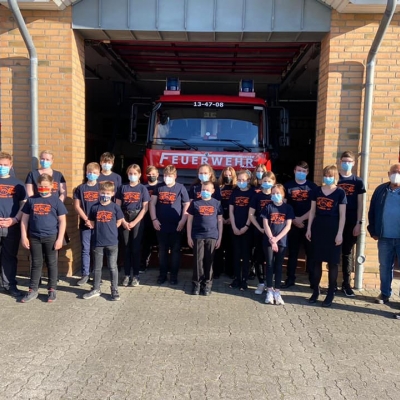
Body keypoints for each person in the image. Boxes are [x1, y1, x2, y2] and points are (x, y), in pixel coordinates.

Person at [20, 174, 67, 303]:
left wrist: (59, 239)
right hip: (34, 237)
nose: (43, 189)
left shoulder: (56, 200)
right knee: (36, 263)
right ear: (37, 187)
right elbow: (24, 219)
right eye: (40, 187)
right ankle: (33, 290)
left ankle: (52, 290)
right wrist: (24, 236)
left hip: (51, 237)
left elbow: (62, 221)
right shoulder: (31, 200)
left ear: (52, 186)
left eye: (46, 186)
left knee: (52, 263)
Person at [306, 165, 346, 307]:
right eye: (325, 175)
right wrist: (309, 228)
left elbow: (342, 215)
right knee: (316, 261)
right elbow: (312, 212)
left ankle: (330, 293)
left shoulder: (340, 193)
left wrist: (340, 233)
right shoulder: (316, 191)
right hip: (318, 227)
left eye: (330, 175)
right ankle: (316, 291)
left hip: (333, 228)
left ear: (335, 177)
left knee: (333, 262)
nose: (327, 178)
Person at [83, 181, 124, 301]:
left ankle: (114, 289)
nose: (105, 195)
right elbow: (91, 222)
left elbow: (119, 221)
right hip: (98, 242)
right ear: (99, 192)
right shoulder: (94, 207)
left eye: (107, 193)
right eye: (103, 192)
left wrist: (110, 229)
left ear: (112, 194)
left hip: (112, 242)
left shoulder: (115, 207)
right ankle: (96, 289)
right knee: (97, 267)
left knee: (112, 267)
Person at [149, 165, 190, 285]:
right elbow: (152, 204)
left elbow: (186, 204)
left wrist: (183, 220)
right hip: (161, 226)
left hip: (176, 226)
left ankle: (173, 276)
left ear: (175, 176)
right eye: (166, 176)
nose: (167, 178)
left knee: (175, 251)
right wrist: (154, 219)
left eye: (170, 176)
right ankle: (162, 275)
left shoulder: (181, 188)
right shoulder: (159, 187)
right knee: (162, 251)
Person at [367, 163, 400, 308]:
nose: (396, 174)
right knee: (385, 266)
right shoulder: (381, 190)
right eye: (393, 172)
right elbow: (372, 210)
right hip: (384, 237)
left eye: (398, 172)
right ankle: (385, 293)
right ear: (388, 174)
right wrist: (373, 230)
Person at [283, 161, 317, 288]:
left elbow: (314, 208)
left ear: (307, 173)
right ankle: (290, 278)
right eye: (299, 170)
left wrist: (301, 219)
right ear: (294, 171)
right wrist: (294, 220)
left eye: (303, 171)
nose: (301, 173)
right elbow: (285, 206)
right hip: (292, 224)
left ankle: (313, 281)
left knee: (311, 253)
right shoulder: (288, 186)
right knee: (293, 253)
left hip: (308, 225)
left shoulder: (313, 187)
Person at [187, 181, 223, 296]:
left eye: (207, 190)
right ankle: (196, 284)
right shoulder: (195, 203)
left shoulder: (216, 203)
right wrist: (189, 236)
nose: (205, 192)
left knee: (209, 261)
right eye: (203, 189)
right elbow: (189, 221)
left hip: (212, 236)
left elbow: (220, 221)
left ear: (213, 191)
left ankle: (207, 284)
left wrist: (220, 237)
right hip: (198, 236)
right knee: (198, 261)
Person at [116, 164, 150, 287]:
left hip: (137, 219)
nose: (132, 176)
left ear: (140, 174)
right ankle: (126, 275)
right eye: (130, 173)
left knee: (135, 248)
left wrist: (134, 222)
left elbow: (145, 208)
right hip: (124, 218)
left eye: (135, 174)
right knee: (126, 247)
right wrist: (123, 222)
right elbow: (117, 206)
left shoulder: (142, 189)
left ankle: (135, 275)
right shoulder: (122, 187)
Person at [337, 151, 366, 296]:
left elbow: (361, 204)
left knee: (347, 253)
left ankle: (346, 283)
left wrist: (359, 223)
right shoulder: (335, 179)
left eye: (349, 161)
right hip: (335, 221)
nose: (346, 163)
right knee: (334, 251)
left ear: (353, 163)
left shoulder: (358, 182)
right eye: (344, 161)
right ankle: (332, 283)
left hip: (351, 221)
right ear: (340, 162)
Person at [261, 184, 294, 305]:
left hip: (282, 242)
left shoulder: (288, 208)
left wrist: (277, 239)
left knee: (279, 266)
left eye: (278, 193)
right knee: (269, 265)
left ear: (283, 194)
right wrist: (271, 239)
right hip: (268, 242)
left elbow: (288, 226)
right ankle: (269, 290)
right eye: (273, 193)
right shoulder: (267, 207)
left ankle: (277, 291)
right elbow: (265, 224)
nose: (275, 195)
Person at [0, 152, 27, 297]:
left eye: (5, 165)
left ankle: (9, 285)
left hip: (12, 226)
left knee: (9, 257)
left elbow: (24, 204)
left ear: (11, 166)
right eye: (0, 165)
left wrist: (15, 219)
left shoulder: (18, 184)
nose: (2, 167)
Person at [73, 162, 101, 286]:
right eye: (89, 172)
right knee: (85, 249)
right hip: (85, 224)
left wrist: (95, 221)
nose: (91, 174)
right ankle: (85, 274)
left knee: (97, 250)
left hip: (99, 224)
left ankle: (97, 276)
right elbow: (76, 206)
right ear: (86, 173)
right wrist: (86, 220)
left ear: (99, 174)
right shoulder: (80, 188)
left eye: (94, 173)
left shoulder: (101, 188)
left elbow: (104, 205)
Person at [249, 171, 275, 295]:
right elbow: (251, 215)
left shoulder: (276, 196)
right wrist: (259, 228)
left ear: (274, 182)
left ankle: (270, 282)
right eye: (264, 181)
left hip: (273, 234)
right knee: (259, 258)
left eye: (269, 181)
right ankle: (261, 283)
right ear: (260, 182)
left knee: (271, 259)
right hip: (259, 231)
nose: (266, 183)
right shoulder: (257, 197)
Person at [229, 169, 255, 290]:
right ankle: (236, 279)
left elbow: (252, 213)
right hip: (235, 228)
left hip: (247, 229)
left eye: (243, 180)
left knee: (246, 255)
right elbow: (231, 211)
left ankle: (244, 280)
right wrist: (234, 226)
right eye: (239, 180)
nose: (241, 182)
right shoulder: (234, 192)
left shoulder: (252, 193)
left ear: (248, 180)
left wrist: (246, 227)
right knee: (235, 254)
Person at [214, 167, 237, 278]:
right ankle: (217, 270)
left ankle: (230, 271)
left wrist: (230, 219)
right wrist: (221, 218)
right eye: (225, 175)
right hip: (220, 219)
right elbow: (216, 204)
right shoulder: (218, 188)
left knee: (231, 247)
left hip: (232, 220)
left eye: (230, 175)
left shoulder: (236, 188)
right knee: (219, 247)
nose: (228, 177)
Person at [140, 165, 160, 272]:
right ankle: (143, 264)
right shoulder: (143, 187)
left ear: (157, 174)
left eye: (153, 174)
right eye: (149, 174)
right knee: (146, 244)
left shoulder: (161, 186)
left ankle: (162, 266)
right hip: (146, 219)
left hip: (159, 219)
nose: (151, 176)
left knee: (161, 244)